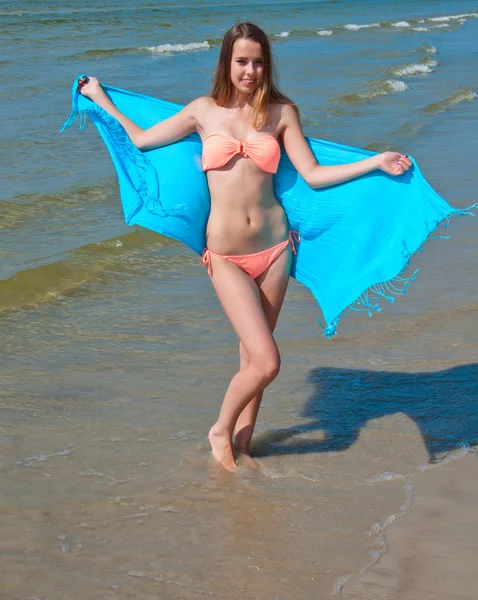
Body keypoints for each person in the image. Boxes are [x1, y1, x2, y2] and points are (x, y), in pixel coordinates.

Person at [78, 22, 411, 472]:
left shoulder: (281, 113)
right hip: (225, 255)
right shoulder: (202, 111)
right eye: (241, 61)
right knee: (268, 361)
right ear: (226, 63)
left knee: (252, 357)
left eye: (257, 61)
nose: (250, 70)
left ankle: (244, 448)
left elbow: (312, 174)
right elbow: (142, 140)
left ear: (266, 64)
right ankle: (220, 430)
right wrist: (101, 99)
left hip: (275, 250)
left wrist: (375, 161)